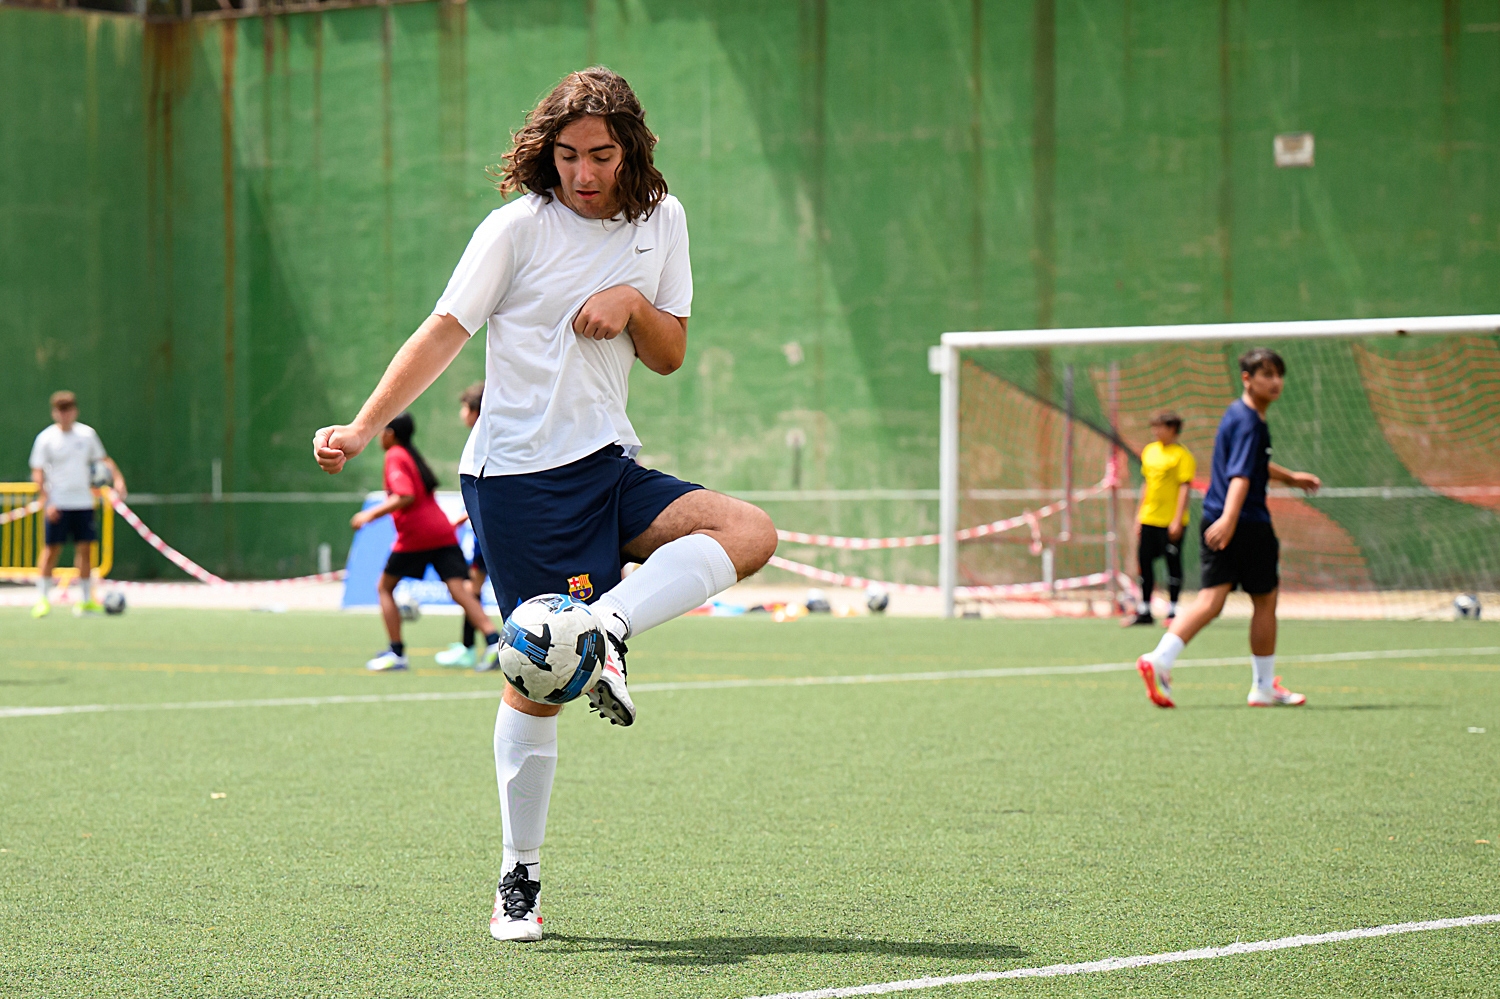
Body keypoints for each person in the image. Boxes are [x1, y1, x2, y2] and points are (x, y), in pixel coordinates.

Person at [311, 68, 776, 941]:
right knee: (538, 685)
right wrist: (365, 426)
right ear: (546, 152)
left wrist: (631, 302)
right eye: (566, 155)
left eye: (599, 154)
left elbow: (669, 352)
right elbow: (444, 331)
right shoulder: (516, 229)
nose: (582, 173)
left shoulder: (663, 220)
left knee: (748, 530)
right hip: (518, 480)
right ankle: (517, 877)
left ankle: (607, 628)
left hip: (608, 463)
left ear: (630, 148)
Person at [1135, 348, 1321, 709]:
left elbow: (1253, 463)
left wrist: (1290, 478)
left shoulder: (1236, 414)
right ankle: (1263, 687)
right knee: (1265, 600)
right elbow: (1240, 476)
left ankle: (1160, 658)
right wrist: (1231, 519)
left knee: (1210, 600)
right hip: (1245, 523)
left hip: (1216, 516)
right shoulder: (1251, 422)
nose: (1275, 382)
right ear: (1247, 379)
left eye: (1279, 375)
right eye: (1266, 374)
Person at [351, 412, 500, 672]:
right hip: (441, 531)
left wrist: (369, 515)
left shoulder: (395, 455)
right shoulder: (411, 454)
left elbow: (405, 495)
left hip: (417, 535)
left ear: (390, 434)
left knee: (384, 587)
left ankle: (396, 652)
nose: (378, 436)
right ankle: (493, 642)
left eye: (381, 430)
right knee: (459, 590)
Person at [28, 391, 126, 618]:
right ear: (54, 413)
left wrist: (118, 479)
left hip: (83, 503)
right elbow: (38, 472)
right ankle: (42, 599)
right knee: (51, 550)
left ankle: (86, 600)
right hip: (58, 503)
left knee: (85, 550)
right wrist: (47, 502)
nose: (65, 415)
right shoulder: (46, 438)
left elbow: (103, 460)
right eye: (60, 411)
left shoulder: (86, 435)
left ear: (75, 411)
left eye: (68, 410)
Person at [436, 383, 492, 668]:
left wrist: (462, 518)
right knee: (473, 587)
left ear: (474, 411)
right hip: (488, 527)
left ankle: (493, 643)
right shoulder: (486, 438)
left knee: (472, 589)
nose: (461, 414)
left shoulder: (484, 440)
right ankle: (470, 647)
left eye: (464, 408)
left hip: (489, 530)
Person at [1123, 411, 1195, 627]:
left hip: (1170, 520)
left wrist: (1177, 520)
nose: (1155, 431)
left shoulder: (1182, 456)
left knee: (1172, 564)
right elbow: (1146, 484)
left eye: (1159, 427)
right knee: (1144, 563)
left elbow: (1184, 488)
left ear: (1172, 429)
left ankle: (1172, 610)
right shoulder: (1150, 451)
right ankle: (1145, 610)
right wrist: (1139, 515)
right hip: (1149, 518)